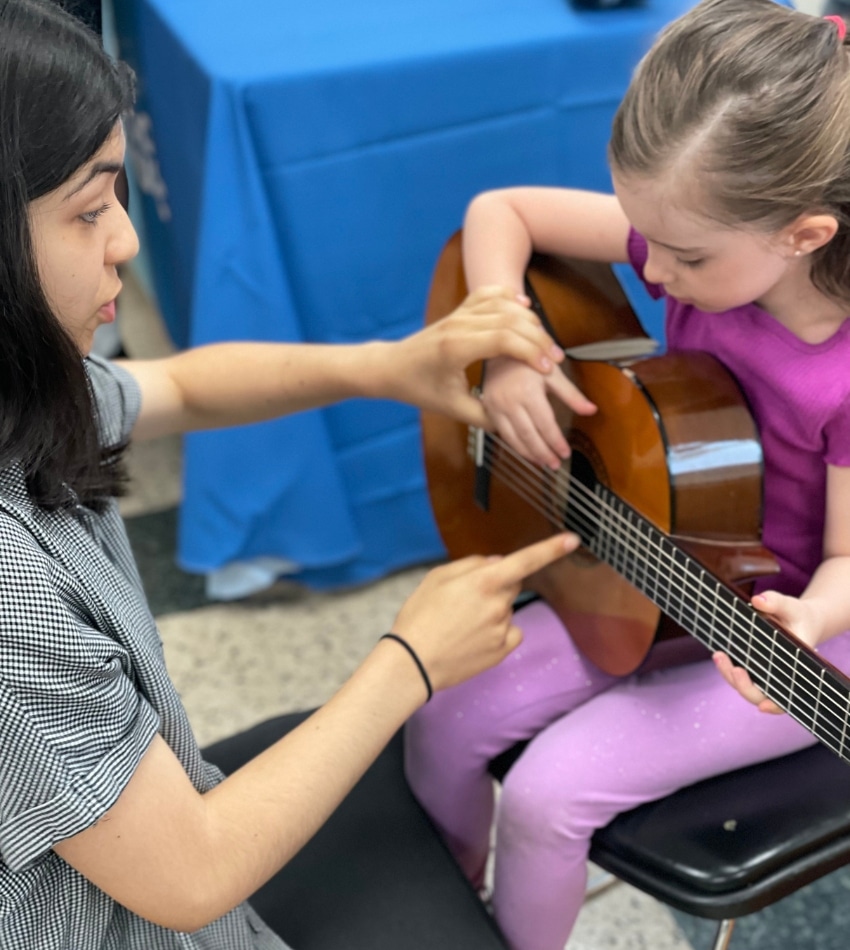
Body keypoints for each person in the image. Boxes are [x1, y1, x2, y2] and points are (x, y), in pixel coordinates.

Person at [0, 2, 580, 948]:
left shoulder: (30, 387)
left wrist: (390, 365)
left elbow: (180, 385)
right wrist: (411, 661)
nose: (126, 242)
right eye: (88, 208)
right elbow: (189, 877)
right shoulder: (9, 592)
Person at [403, 2, 850, 949]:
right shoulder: (698, 242)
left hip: (804, 636)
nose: (657, 270)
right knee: (440, 712)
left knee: (546, 792)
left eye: (683, 255)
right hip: (671, 564)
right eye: (650, 237)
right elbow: (504, 212)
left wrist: (810, 616)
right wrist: (511, 342)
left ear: (805, 235)